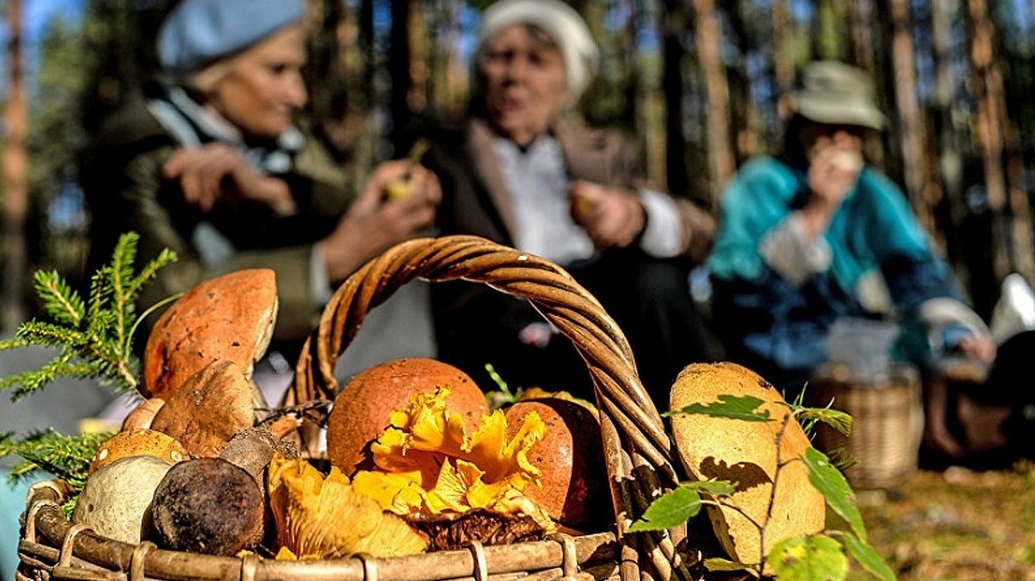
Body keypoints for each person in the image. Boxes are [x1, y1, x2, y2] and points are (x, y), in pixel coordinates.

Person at [81, 0, 443, 394]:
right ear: (213, 73)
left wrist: (273, 193)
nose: (298, 94)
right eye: (277, 70)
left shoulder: (282, 139)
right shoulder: (140, 149)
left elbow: (339, 203)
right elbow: (169, 308)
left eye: (297, 70)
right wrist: (330, 259)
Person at [706, 60, 1033, 461]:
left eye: (852, 129)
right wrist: (816, 212)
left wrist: (953, 330)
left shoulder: (873, 192)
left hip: (875, 345)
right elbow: (740, 297)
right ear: (799, 123)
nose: (841, 139)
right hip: (788, 360)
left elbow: (916, 270)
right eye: (828, 125)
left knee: (988, 355)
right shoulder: (760, 183)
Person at [421, 0, 717, 410]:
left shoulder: (604, 153)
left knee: (658, 281)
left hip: (597, 326)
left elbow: (700, 232)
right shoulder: (443, 154)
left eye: (537, 61)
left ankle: (697, 422)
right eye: (501, 57)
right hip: (495, 336)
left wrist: (638, 214)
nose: (514, 75)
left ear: (567, 81)